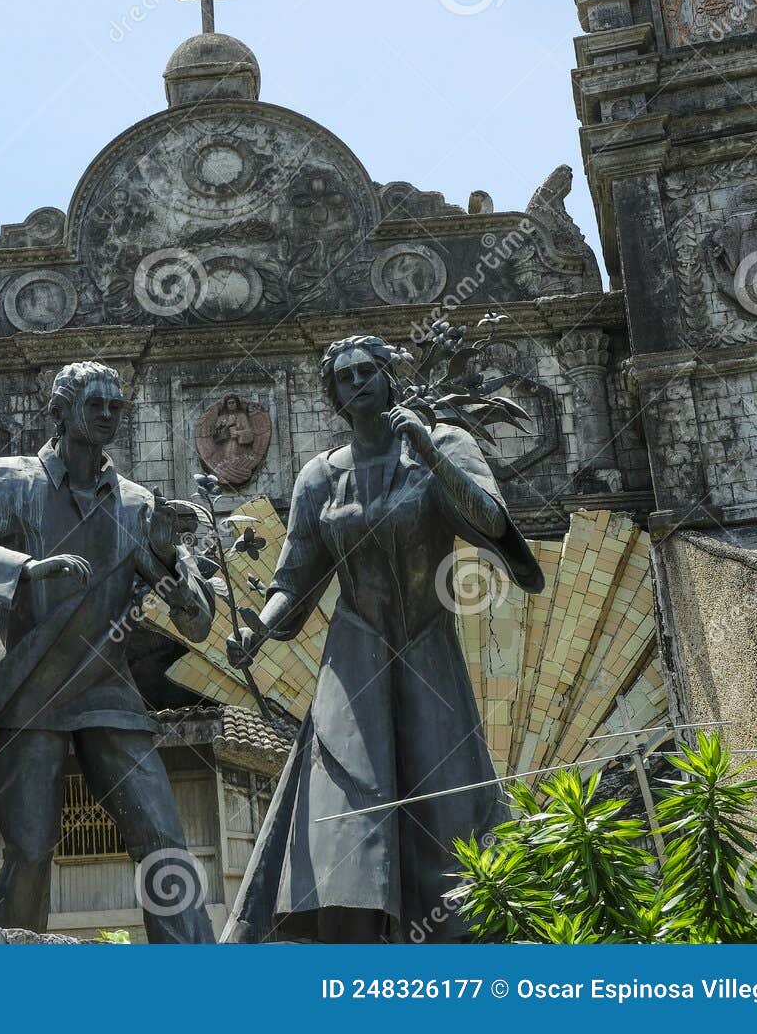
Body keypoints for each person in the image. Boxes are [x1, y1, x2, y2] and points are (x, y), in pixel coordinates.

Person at [221, 335, 545, 943]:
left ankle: (460, 940)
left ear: (391, 379)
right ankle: (348, 941)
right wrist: (258, 629)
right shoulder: (319, 477)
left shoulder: (442, 444)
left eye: (368, 371)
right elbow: (294, 578)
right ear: (334, 397)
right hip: (355, 650)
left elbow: (490, 520)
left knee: (446, 796)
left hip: (425, 644)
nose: (358, 383)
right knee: (344, 796)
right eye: (344, 378)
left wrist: (428, 449)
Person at [0, 360, 217, 942]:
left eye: (116, 406)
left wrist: (169, 566)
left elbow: (201, 621)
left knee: (163, 840)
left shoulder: (138, 506)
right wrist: (23, 570)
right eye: (95, 403)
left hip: (108, 693)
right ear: (58, 411)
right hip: (28, 692)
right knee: (29, 850)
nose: (108, 414)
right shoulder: (12, 481)